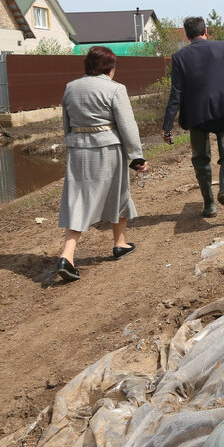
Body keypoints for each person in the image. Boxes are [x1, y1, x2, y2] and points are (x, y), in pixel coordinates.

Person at [56, 45, 148, 283]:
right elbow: (127, 124)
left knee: (78, 199)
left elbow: (66, 122)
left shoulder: (71, 87)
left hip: (77, 149)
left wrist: (73, 141)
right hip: (107, 149)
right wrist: (136, 155)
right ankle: (108, 246)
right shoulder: (115, 89)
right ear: (109, 67)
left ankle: (80, 253)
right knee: (118, 194)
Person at [162, 16, 224, 220]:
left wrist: (167, 126)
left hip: (196, 116)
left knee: (200, 160)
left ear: (187, 35)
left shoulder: (179, 57)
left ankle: (209, 206)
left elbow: (176, 94)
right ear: (206, 31)